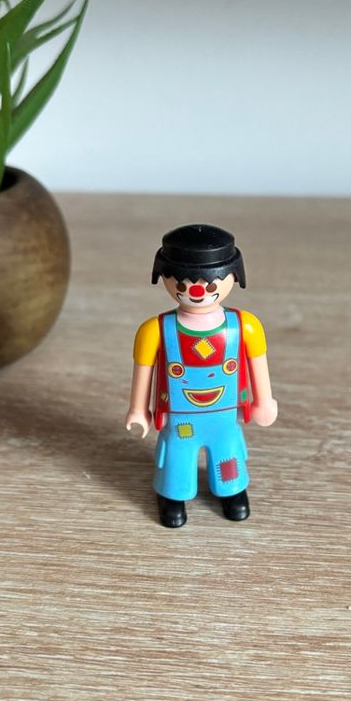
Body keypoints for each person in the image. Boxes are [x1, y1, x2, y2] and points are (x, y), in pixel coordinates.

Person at [125, 223, 278, 528]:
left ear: (233, 276)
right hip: (180, 415)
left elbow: (258, 365)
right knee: (178, 456)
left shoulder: (245, 326)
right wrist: (138, 410)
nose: (197, 293)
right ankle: (173, 495)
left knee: (227, 453)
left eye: (210, 285)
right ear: (164, 278)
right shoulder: (155, 330)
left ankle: (232, 490)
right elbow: (143, 372)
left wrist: (264, 401)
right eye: (182, 285)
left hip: (224, 414)